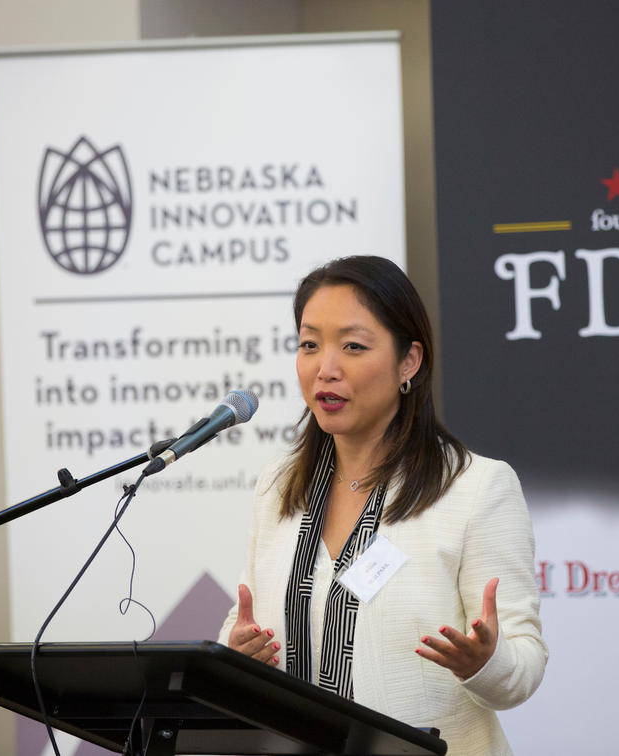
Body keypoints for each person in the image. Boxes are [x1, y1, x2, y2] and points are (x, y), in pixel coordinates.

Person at [219, 256, 547, 755]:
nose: (325, 369)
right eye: (309, 345)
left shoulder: (475, 487)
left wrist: (483, 660)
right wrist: (235, 654)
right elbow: (244, 623)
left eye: (353, 346)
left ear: (408, 362)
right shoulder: (277, 487)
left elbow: (523, 668)